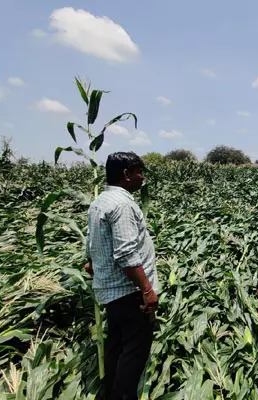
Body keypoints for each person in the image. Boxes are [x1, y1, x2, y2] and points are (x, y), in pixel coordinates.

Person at [84, 152, 159, 400]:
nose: (142, 177)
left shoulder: (100, 202)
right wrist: (147, 290)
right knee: (134, 354)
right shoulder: (123, 205)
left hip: (111, 292)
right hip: (130, 293)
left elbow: (92, 248)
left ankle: (111, 394)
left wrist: (96, 266)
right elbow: (126, 253)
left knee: (116, 346)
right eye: (139, 172)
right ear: (126, 174)